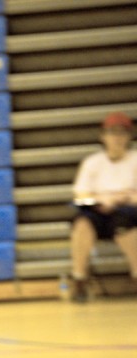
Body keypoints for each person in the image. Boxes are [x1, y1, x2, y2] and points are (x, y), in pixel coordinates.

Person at [68, 110, 137, 302]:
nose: (117, 138)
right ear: (103, 137)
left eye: (122, 133)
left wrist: (120, 199)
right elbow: (81, 193)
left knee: (126, 226)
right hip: (98, 211)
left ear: (128, 137)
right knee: (82, 224)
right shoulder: (92, 163)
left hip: (127, 211)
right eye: (112, 133)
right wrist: (101, 200)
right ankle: (79, 279)